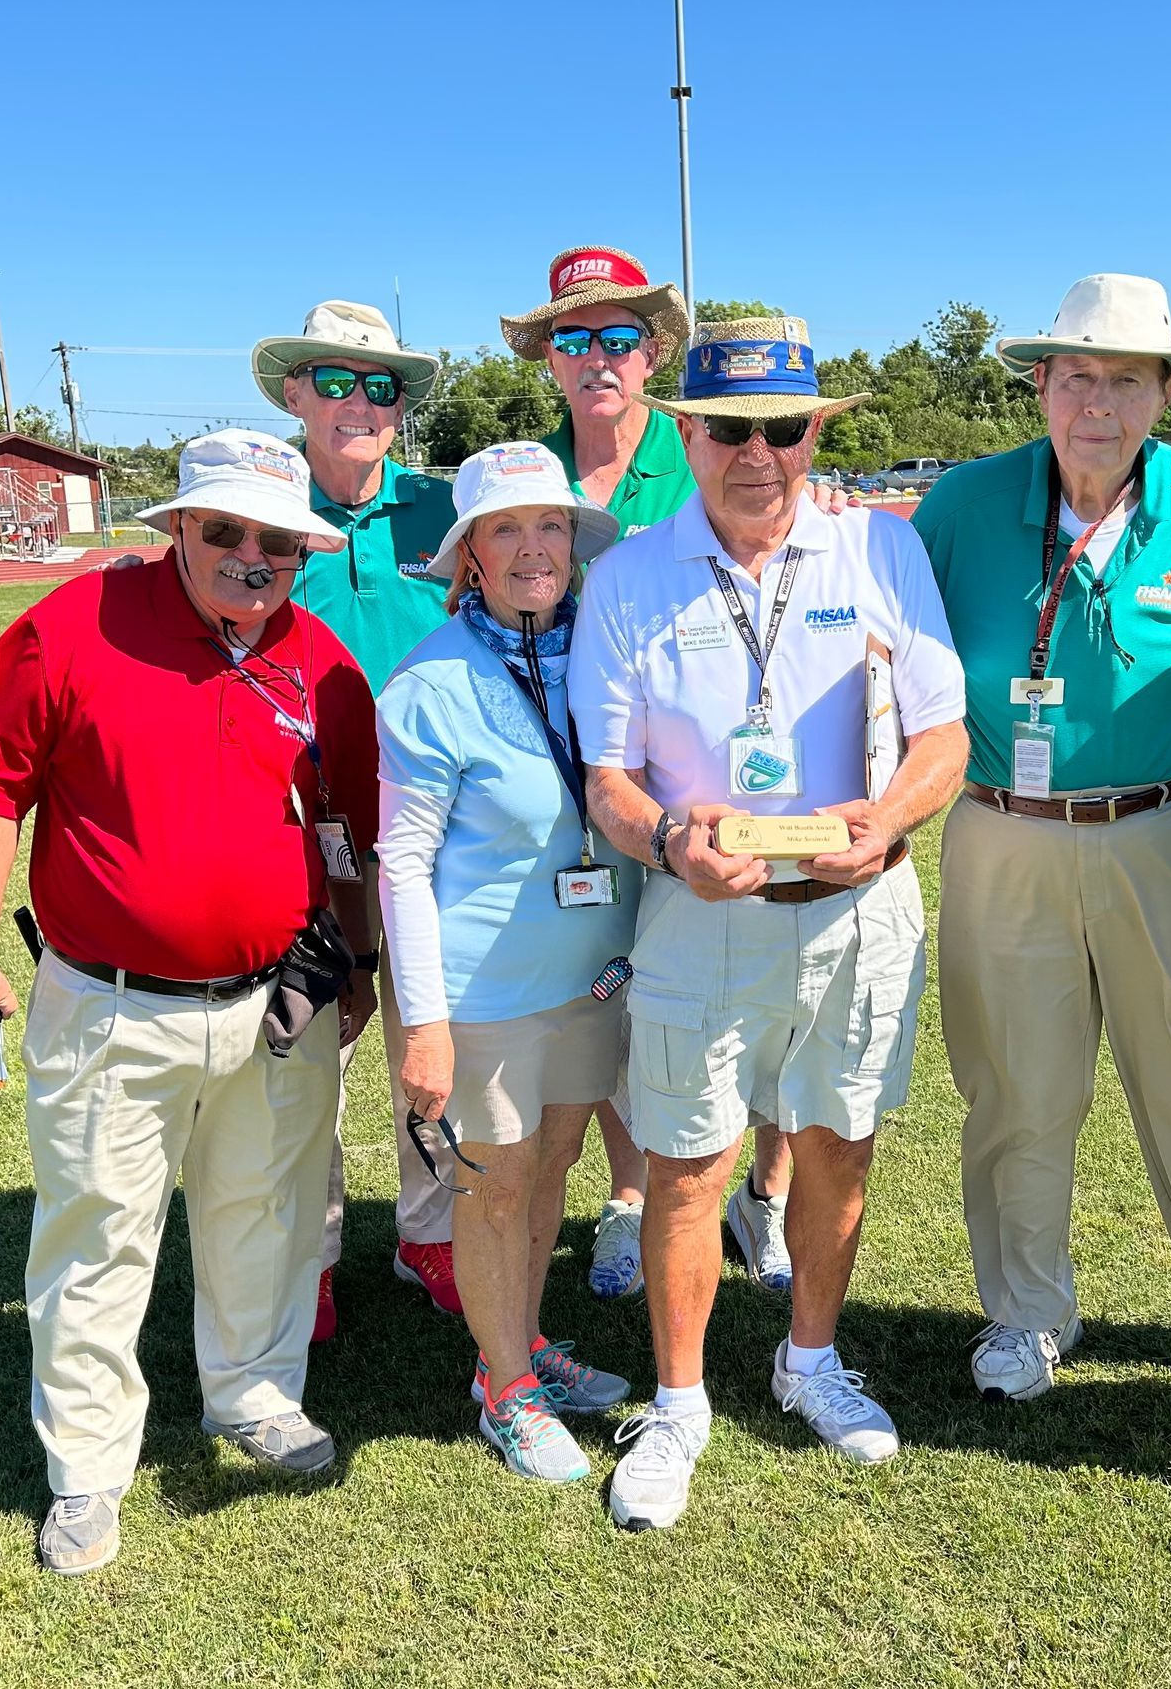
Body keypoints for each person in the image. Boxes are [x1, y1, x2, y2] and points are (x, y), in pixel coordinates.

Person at [0, 430, 381, 1575]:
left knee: (267, 1217)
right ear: (177, 527)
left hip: (280, 1000)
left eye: (275, 540)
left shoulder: (322, 662)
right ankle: (86, 1468)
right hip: (110, 1001)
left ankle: (255, 1397)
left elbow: (350, 840)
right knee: (95, 1238)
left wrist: (359, 967)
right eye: (223, 530)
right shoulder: (67, 630)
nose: (249, 556)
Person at [572, 316, 969, 1531]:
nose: (759, 453)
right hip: (700, 915)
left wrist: (887, 814)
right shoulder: (629, 572)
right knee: (690, 1168)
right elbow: (607, 777)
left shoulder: (880, 552)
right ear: (685, 434)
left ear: (814, 434)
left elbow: (945, 737)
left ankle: (807, 1363)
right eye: (730, 428)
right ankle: (681, 1401)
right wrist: (666, 841)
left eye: (784, 428)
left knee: (841, 1142)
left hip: (861, 909)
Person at [912, 274, 1171, 1422]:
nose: (1097, 401)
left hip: (1170, 831)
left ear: (1165, 392)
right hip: (1004, 833)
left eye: (1127, 378)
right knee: (1017, 1087)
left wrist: (1163, 752)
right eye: (1076, 374)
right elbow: (914, 655)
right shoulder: (963, 506)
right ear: (1039, 382)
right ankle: (1030, 1308)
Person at [502, 248, 806, 1301]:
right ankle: (631, 1202)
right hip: (579, 789)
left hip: (729, 785)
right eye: (572, 337)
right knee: (623, 996)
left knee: (771, 987)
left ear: (657, 354)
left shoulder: (709, 447)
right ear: (547, 357)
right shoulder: (522, 469)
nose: (596, 357)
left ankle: (762, 1195)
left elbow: (799, 523)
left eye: (620, 336)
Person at [377, 441, 635, 1482]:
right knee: (494, 1187)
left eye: (551, 525)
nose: (534, 548)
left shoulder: (611, 650)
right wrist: (425, 1020)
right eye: (506, 530)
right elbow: (402, 862)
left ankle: (520, 1345)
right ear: (469, 556)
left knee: (548, 1175)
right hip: (485, 995)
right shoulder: (431, 680)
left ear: (574, 541)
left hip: (594, 980)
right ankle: (504, 1391)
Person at [252, 301, 459, 1336]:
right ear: (294, 394)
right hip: (292, 836)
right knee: (305, 1049)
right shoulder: (258, 513)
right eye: (332, 381)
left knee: (432, 1038)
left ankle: (431, 1233)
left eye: (378, 386)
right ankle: (313, 1252)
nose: (356, 404)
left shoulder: (448, 508)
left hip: (438, 830)